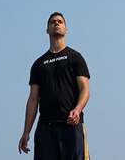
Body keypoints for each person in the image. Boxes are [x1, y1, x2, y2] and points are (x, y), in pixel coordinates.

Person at [18, 13, 90, 160]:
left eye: (60, 22)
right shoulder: (38, 64)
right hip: (46, 128)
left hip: (71, 125)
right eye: (52, 22)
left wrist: (77, 110)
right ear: (47, 29)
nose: (56, 23)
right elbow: (33, 99)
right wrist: (26, 131)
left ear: (66, 29)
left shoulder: (75, 57)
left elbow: (85, 89)